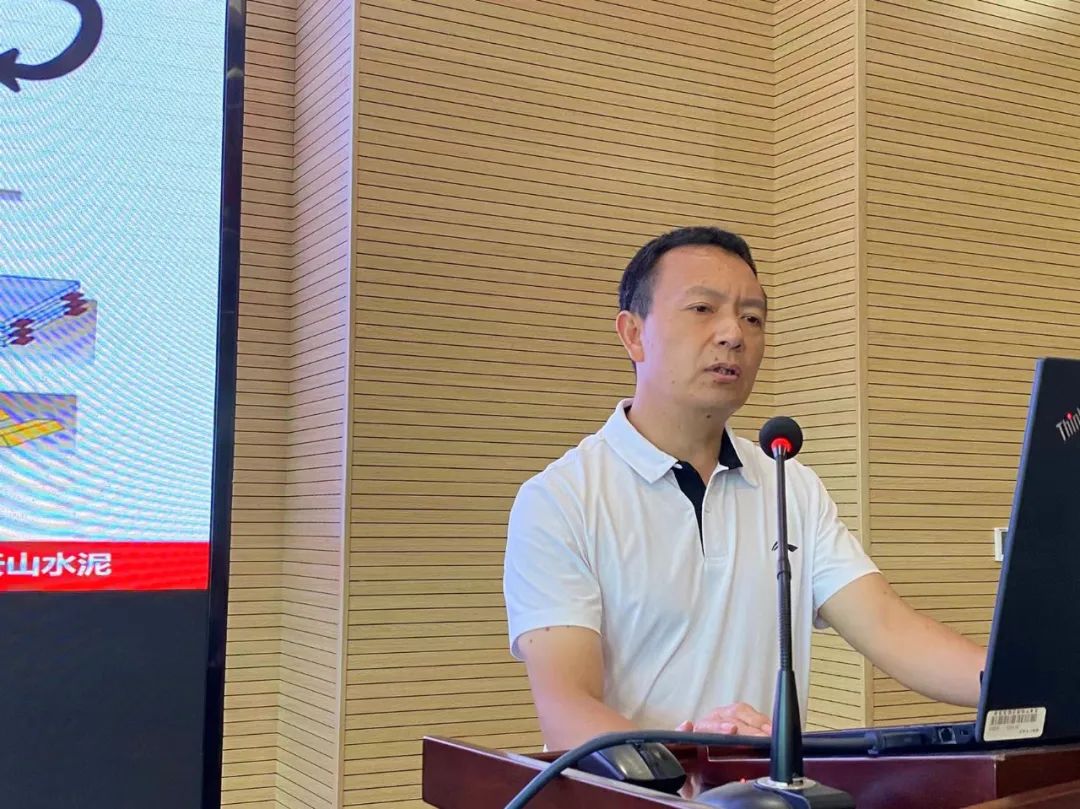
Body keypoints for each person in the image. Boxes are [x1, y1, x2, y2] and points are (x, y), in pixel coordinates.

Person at [502, 225, 987, 752]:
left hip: (766, 790)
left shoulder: (789, 485)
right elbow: (567, 711)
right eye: (703, 309)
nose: (733, 334)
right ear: (633, 334)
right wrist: (694, 758)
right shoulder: (560, 500)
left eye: (752, 318)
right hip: (638, 792)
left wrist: (1028, 686)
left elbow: (891, 628)